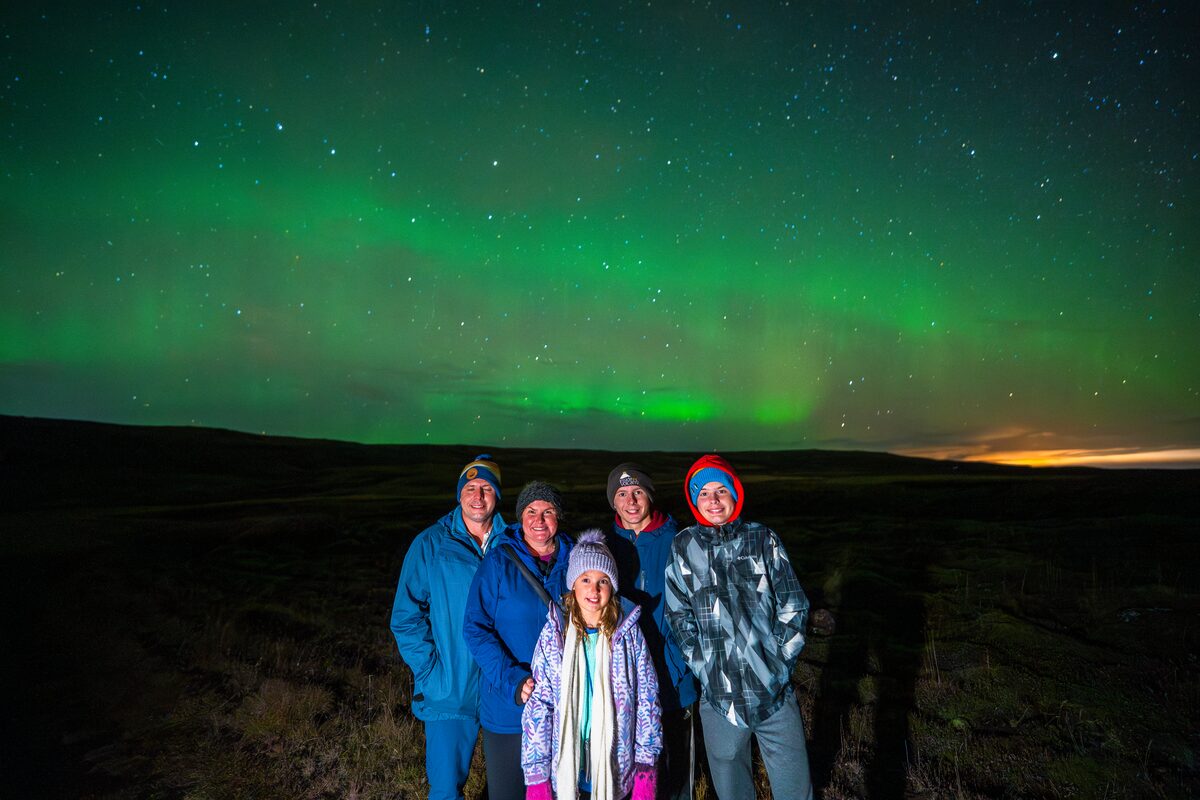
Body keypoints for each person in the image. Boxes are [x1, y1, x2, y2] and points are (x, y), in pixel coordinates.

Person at [664, 454, 814, 800]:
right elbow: (678, 616)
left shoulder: (763, 539)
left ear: (735, 494)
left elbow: (794, 605)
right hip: (720, 700)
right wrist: (706, 668)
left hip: (774, 695)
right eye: (704, 493)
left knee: (795, 788)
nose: (713, 501)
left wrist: (777, 665)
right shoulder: (684, 547)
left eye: (721, 491)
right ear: (694, 499)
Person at [390, 455, 505, 800]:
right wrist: (431, 673)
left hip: (502, 689)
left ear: (497, 495)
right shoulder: (431, 544)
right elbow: (405, 617)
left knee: (510, 787)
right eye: (470, 488)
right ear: (459, 494)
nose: (478, 496)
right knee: (445, 789)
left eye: (486, 488)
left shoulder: (512, 543)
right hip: (449, 691)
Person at [522, 529, 662, 800]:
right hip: (567, 769)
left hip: (615, 766)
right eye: (585, 579)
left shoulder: (627, 632)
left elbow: (646, 699)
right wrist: (537, 777)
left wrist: (646, 768)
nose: (594, 589)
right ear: (573, 584)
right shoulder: (555, 633)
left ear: (613, 587)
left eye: (603, 581)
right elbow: (539, 706)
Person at [464, 481, 576, 800]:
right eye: (531, 511)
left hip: (562, 708)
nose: (539, 520)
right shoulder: (499, 562)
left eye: (548, 511)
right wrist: (513, 679)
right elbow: (475, 627)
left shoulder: (577, 561)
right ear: (520, 517)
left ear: (559, 517)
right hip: (510, 707)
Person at [604, 463, 699, 799]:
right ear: (613, 502)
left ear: (649, 496)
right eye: (622, 494)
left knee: (677, 778)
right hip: (624, 684)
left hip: (673, 681)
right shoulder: (604, 547)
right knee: (630, 777)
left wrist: (685, 664)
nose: (631, 501)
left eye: (638, 492)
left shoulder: (680, 541)